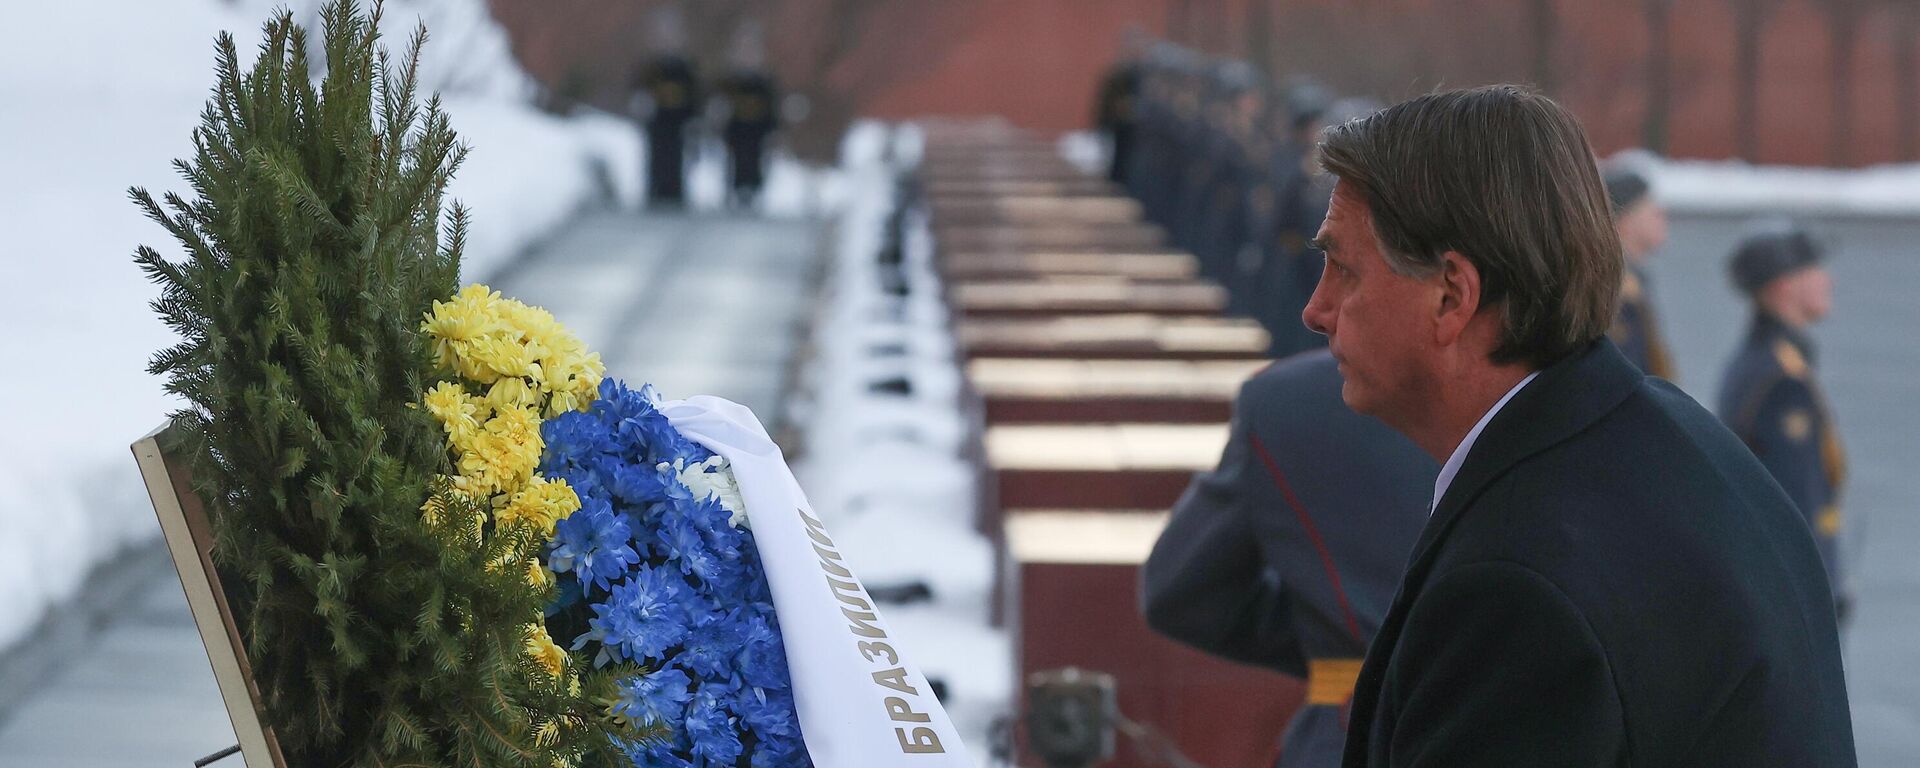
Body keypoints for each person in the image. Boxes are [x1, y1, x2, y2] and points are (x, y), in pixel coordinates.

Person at [1301, 85, 1853, 766]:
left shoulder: (1516, 587)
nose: (1316, 309)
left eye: (1342, 269)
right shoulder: (1675, 440)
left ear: (1450, 295)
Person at [1142, 350, 1435, 768]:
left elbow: (1179, 592)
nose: (1318, 308)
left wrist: (1333, 637)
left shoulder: (1290, 401)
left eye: (1347, 278)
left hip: (1357, 735)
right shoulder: (1553, 386)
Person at [1718, 222, 1849, 622]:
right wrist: (1821, 586)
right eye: (1813, 270)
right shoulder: (1779, 378)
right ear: (1783, 287)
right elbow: (1794, 498)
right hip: (1789, 594)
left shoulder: (1767, 362)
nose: (1827, 280)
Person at [1603, 164, 1677, 379]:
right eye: (1652, 210)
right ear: (1626, 218)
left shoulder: (1633, 281)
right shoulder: (1614, 288)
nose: (1662, 217)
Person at [635, 52, 701, 207]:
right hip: (660, 121)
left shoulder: (682, 71)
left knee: (674, 156)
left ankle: (672, 189)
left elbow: (693, 94)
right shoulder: (655, 71)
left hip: (676, 121)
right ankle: (659, 188)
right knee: (659, 156)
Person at [718, 68, 779, 209]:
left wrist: (771, 128)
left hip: (756, 131)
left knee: (755, 159)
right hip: (738, 130)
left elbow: (770, 107)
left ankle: (753, 188)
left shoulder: (763, 83)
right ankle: (737, 188)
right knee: (737, 160)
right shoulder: (732, 82)